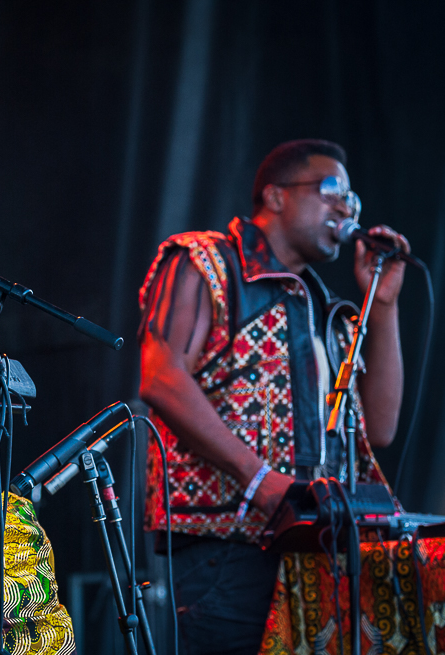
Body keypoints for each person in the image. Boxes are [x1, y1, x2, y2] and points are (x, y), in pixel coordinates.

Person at [137, 139, 409, 655]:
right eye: (331, 191)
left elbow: (380, 427)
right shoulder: (207, 261)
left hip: (316, 546)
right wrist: (259, 479)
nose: (345, 209)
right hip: (227, 548)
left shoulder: (322, 307)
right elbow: (160, 375)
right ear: (276, 196)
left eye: (351, 201)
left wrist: (386, 306)